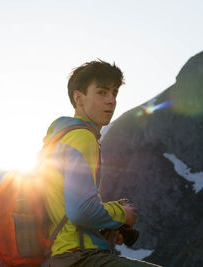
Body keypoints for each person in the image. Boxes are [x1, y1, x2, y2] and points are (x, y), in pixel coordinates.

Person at [41, 60, 161, 267]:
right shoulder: (82, 137)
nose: (111, 100)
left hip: (60, 256)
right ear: (78, 98)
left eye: (114, 93)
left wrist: (102, 228)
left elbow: (63, 210)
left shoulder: (58, 140)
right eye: (102, 92)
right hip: (79, 257)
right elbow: (80, 211)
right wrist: (123, 213)